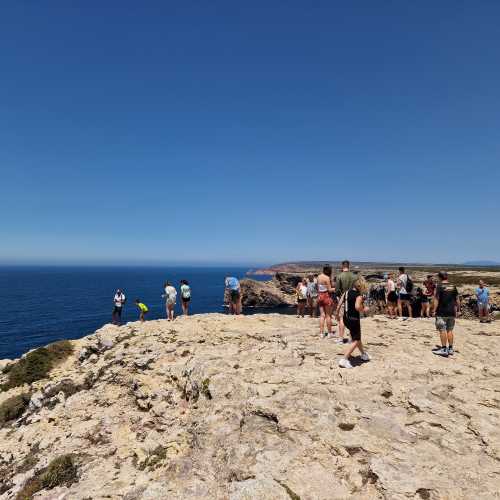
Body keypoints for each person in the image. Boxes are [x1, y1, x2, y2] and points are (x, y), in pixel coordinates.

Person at [338, 277, 371, 369]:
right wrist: (365, 309)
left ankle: (364, 354)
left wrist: (337, 313)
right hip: (354, 319)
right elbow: (357, 307)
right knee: (355, 340)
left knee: (357, 337)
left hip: (346, 318)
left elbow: (340, 303)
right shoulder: (358, 296)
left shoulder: (346, 292)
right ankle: (344, 359)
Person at [432, 271, 460, 357]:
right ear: (446, 277)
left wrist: (434, 310)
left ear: (440, 277)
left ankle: (444, 349)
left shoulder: (439, 286)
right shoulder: (453, 286)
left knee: (442, 330)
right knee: (450, 330)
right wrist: (458, 310)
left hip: (442, 311)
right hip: (451, 312)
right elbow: (457, 299)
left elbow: (436, 299)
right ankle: (450, 349)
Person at [335, 260, 356, 342]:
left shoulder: (339, 276)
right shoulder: (354, 276)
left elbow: (337, 290)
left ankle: (341, 338)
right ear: (349, 266)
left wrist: (338, 299)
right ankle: (351, 338)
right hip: (353, 299)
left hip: (343, 299)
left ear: (342, 266)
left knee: (341, 319)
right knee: (351, 318)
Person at [317, 265, 335, 338]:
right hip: (326, 296)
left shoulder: (318, 277)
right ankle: (330, 333)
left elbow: (317, 287)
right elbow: (329, 289)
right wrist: (336, 288)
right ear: (328, 270)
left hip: (320, 296)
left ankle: (321, 333)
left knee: (322, 315)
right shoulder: (327, 278)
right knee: (328, 315)